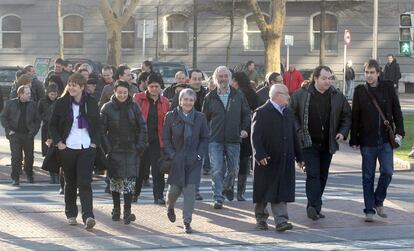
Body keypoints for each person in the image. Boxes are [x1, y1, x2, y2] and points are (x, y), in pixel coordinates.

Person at [289, 65, 351, 221]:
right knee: (313, 174)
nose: (328, 81)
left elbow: (346, 117)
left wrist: (342, 132)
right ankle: (313, 206)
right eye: (324, 78)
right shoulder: (300, 95)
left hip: (328, 142)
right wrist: (298, 130)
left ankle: (314, 206)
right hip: (308, 142)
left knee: (323, 176)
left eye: (330, 78)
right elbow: (291, 114)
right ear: (315, 78)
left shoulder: (337, 96)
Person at [350, 59, 404, 222]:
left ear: (378, 73)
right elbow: (355, 116)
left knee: (387, 172)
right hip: (367, 141)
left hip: (386, 140)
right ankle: (369, 209)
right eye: (366, 72)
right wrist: (354, 139)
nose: (369, 75)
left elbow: (397, 110)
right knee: (367, 176)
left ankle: (378, 200)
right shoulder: (360, 90)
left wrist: (400, 132)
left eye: (372, 72)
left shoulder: (387, 87)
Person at [48, 73, 100, 230]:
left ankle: (88, 216)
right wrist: (59, 143)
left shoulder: (90, 103)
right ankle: (71, 214)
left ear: (82, 87)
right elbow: (52, 125)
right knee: (70, 183)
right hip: (68, 149)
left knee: (85, 183)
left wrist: (94, 144)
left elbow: (98, 125)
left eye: (74, 85)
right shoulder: (61, 103)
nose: (71, 87)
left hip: (86, 149)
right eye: (69, 84)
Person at [252, 84, 304, 232]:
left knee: (280, 190)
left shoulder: (288, 113)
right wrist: (259, 154)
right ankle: (261, 218)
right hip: (267, 159)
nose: (289, 97)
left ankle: (281, 221)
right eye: (286, 94)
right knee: (263, 191)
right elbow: (255, 136)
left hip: (285, 158)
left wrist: (299, 157)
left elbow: (293, 136)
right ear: (277, 95)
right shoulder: (261, 112)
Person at [202, 66, 251, 209]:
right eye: (220, 76)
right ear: (215, 79)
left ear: (229, 78)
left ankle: (227, 186)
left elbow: (246, 114)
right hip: (215, 139)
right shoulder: (210, 97)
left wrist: (244, 129)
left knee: (234, 169)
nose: (223, 79)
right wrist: (205, 135)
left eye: (225, 76)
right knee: (216, 169)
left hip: (234, 138)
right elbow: (204, 118)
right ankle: (218, 198)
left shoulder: (238, 95)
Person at [101, 80, 148, 224]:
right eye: (119, 92)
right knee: (115, 181)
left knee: (129, 182)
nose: (122, 95)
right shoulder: (107, 108)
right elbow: (101, 131)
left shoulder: (134, 107)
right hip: (114, 150)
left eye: (125, 92)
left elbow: (142, 128)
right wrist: (107, 149)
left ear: (129, 93)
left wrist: (139, 146)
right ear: (114, 92)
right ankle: (116, 209)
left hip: (131, 150)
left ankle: (127, 211)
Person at [163, 88, 209, 234]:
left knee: (190, 190)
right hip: (177, 159)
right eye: (185, 99)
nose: (188, 102)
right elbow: (166, 138)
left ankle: (187, 222)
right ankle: (170, 206)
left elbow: (204, 138)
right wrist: (172, 154)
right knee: (174, 191)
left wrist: (199, 155)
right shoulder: (170, 116)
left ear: (194, 101)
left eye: (191, 100)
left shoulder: (200, 117)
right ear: (180, 100)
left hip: (193, 160)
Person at [133, 73, 170, 204]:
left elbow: (168, 123)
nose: (154, 89)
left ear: (161, 87)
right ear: (147, 87)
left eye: (156, 86)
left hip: (157, 141)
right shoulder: (138, 98)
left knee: (158, 170)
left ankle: (158, 196)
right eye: (151, 86)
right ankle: (134, 194)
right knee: (139, 169)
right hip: (142, 140)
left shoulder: (165, 102)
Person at [1, 85, 40, 186]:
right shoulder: (10, 103)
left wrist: (33, 132)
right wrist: (9, 130)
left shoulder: (33, 105)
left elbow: (37, 120)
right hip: (15, 135)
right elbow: (3, 117)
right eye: (27, 93)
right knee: (16, 157)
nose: (29, 95)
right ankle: (15, 178)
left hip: (28, 135)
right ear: (20, 94)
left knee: (29, 157)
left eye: (30, 93)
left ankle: (29, 174)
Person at [231, 72, 259, 201]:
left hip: (234, 131)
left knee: (231, 161)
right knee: (243, 162)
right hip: (248, 131)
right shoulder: (252, 93)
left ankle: (229, 188)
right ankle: (240, 193)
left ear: (236, 81)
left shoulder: (234, 94)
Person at [38, 84, 59, 184]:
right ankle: (52, 176)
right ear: (47, 93)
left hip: (56, 129)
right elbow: (38, 113)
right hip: (46, 129)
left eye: (54, 94)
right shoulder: (42, 102)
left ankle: (57, 175)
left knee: (56, 153)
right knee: (48, 153)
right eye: (51, 94)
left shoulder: (59, 102)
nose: (53, 96)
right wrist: (45, 117)